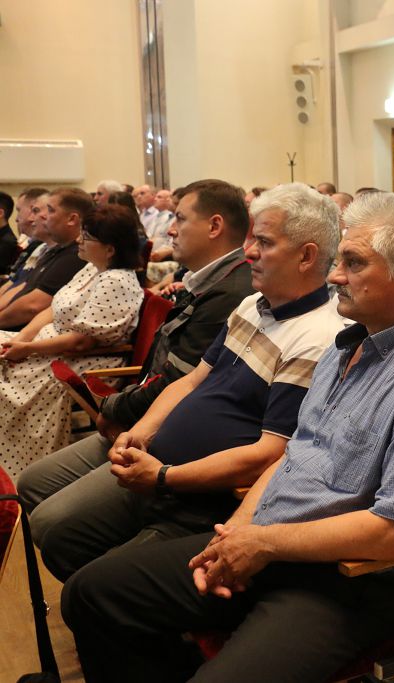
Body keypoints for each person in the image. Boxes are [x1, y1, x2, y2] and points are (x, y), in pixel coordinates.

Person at [61, 191, 394, 683]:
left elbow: (392, 533)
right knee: (91, 592)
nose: (335, 276)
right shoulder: (349, 344)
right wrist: (238, 533)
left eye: (353, 263)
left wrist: (262, 543)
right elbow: (292, 456)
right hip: (272, 541)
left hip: (343, 580)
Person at [26, 183, 345, 582]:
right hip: (157, 463)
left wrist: (163, 477)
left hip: (200, 497)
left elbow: (270, 453)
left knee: (89, 584)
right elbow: (192, 381)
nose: (248, 252)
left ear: (306, 256)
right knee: (57, 532)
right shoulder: (252, 304)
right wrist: (140, 432)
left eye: (263, 242)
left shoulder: (318, 338)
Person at [18, 179, 255, 540]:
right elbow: (167, 371)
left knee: (53, 522)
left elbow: (179, 381)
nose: (169, 230)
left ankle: (104, 556)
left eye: (179, 218)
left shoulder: (230, 294)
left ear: (214, 226)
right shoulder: (209, 282)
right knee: (33, 483)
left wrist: (113, 407)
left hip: (160, 435)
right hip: (143, 420)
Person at [0, 204, 144, 477]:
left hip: (81, 359)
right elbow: (52, 309)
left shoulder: (117, 281)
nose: (79, 240)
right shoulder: (92, 268)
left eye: (86, 237)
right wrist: (20, 340)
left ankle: (11, 472)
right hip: (49, 346)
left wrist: (27, 349)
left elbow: (82, 342)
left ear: (110, 249)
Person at [0, 188, 90, 331]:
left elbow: (32, 306)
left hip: (24, 333)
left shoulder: (76, 255)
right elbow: (20, 287)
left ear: (72, 219)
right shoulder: (54, 250)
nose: (43, 216)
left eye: (51, 210)